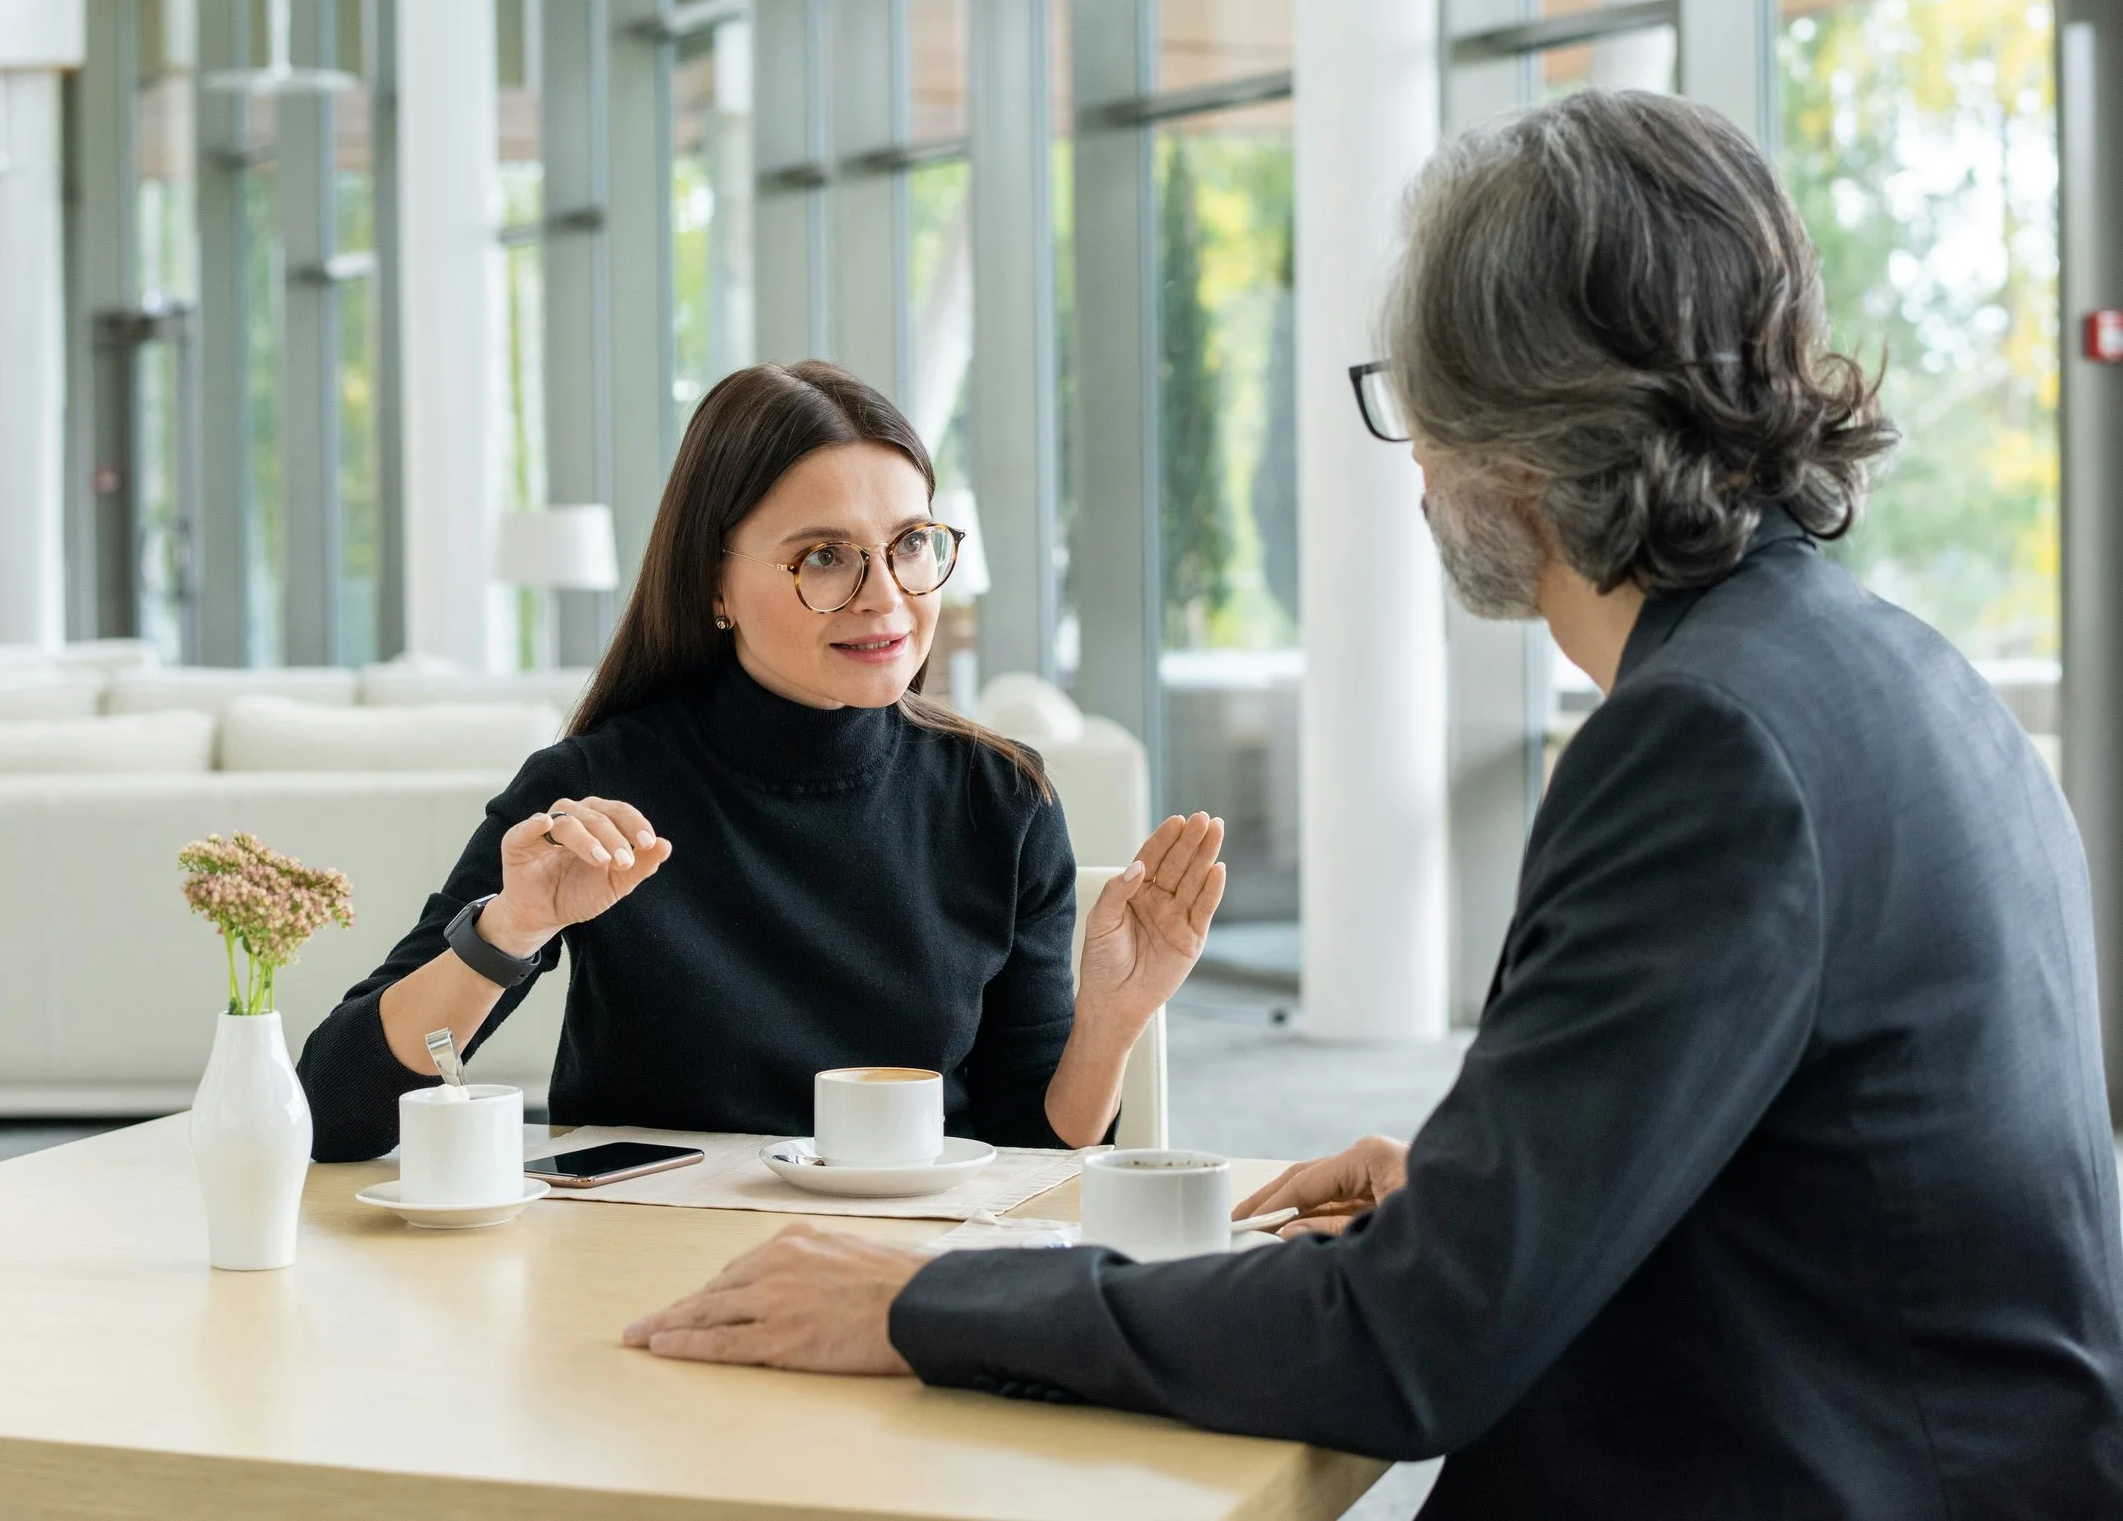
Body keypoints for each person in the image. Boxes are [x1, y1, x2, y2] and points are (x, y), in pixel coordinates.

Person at [622, 91, 2123, 1516]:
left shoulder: (1707, 745)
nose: (1412, 467)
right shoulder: (1887, 671)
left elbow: (1416, 1344)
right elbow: (1823, 1188)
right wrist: (1467, 1193)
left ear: (1530, 438)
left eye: (1422, 404)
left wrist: (917, 1297)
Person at [298, 359, 1224, 1162]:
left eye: (910, 544)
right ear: (715, 586)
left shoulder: (1001, 798)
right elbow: (334, 1107)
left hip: (889, 1274)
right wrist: (509, 929)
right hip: (643, 1271)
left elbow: (1026, 1155)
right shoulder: (592, 791)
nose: (887, 597)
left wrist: (1111, 1018)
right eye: (825, 556)